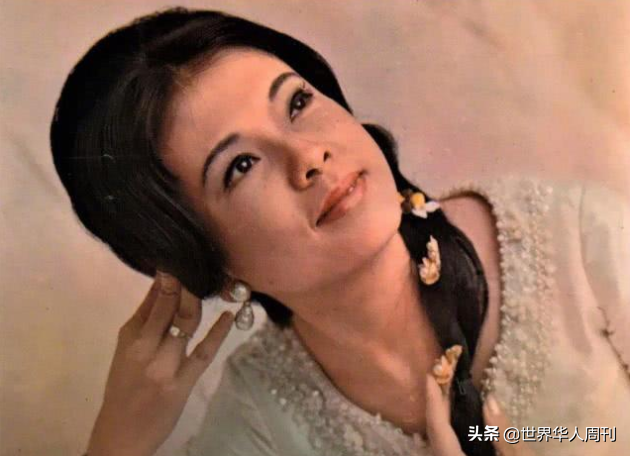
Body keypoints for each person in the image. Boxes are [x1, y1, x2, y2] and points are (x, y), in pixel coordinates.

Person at [49, 7, 629, 456]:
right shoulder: (260, 422)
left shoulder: (576, 240)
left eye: (298, 102)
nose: (308, 155)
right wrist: (118, 442)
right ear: (209, 263)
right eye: (241, 165)